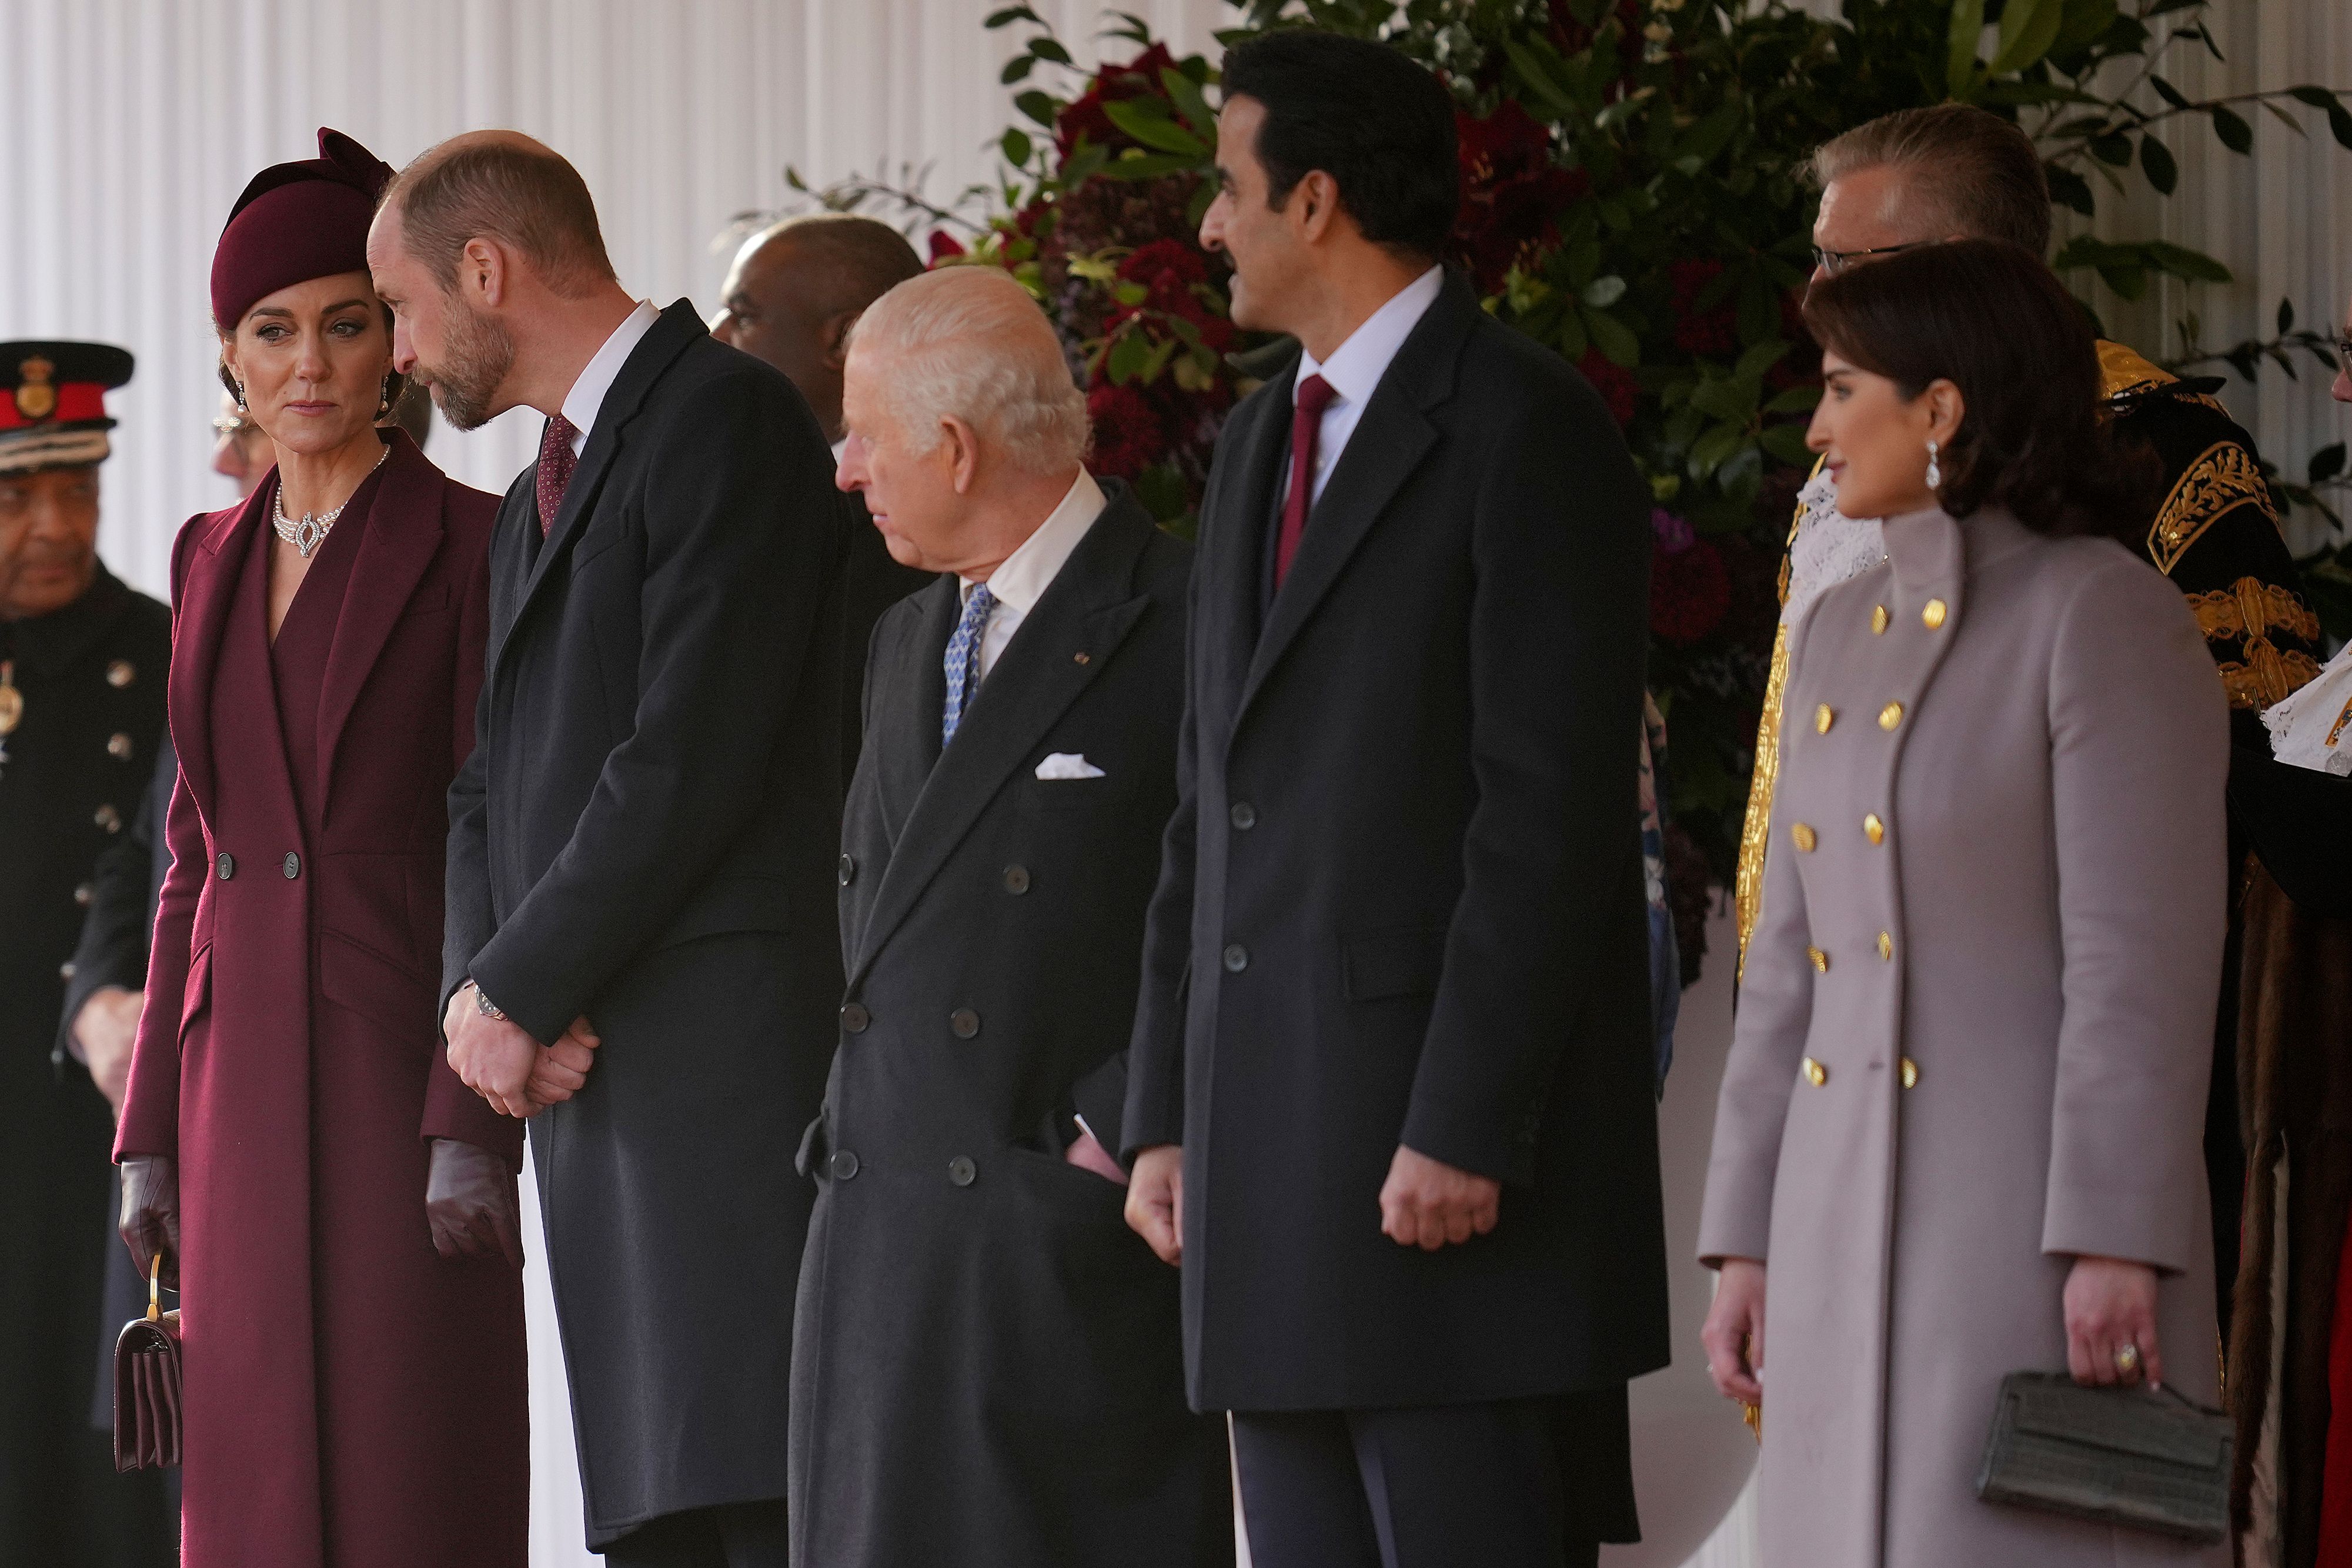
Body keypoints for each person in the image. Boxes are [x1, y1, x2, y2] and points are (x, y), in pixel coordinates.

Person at [1120, 32, 1668, 1568]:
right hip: (1268, 1175)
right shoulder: (1249, 444)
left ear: (1317, 199)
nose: (1206, 227)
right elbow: (1202, 801)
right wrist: (1165, 1109)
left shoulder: (1527, 425)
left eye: (1227, 190)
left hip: (1442, 1187)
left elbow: (1548, 814)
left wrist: (1468, 1124)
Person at [1730, 101, 2316, 1342]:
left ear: (1973, 273)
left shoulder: (2150, 447)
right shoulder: (1850, 464)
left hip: (2036, 1099)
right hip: (1843, 1060)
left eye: (1849, 263)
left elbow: (2241, 790)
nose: (1812, 292)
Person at [1698, 239, 2228, 1568]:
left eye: (1836, 387)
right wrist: (1743, 1245)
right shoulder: (1831, 630)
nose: (1814, 427)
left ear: (1938, 410)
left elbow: (2140, 968)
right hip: (1827, 1241)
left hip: (2022, 1252)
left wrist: (2116, 1241)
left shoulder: (2103, 616)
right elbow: (1783, 978)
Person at [370, 131, 845, 1567]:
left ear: (484, 269)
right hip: (594, 1078)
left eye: (397, 309)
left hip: (719, 1077)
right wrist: (477, 999)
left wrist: (520, 990)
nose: (399, 351)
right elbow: (481, 788)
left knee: (754, 1501)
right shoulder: (533, 500)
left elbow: (691, 757)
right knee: (656, 1517)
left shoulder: (726, 421)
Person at [111, 129, 529, 1568]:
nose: (309, 363)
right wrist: (149, 1126)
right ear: (227, 355)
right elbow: (189, 862)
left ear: (396, 345)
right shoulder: (200, 559)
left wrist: (472, 1120)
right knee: (251, 1504)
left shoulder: (485, 539)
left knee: (414, 1470)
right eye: (270, 331)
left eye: (346, 325)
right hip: (231, 1101)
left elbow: (501, 833)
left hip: (396, 1080)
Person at [793, 266, 1230, 1567]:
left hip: (1052, 1253)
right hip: (880, 1243)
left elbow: (1234, 902)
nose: (844, 466)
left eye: (863, 432)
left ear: (954, 445)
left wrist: (1110, 1130)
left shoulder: (1190, 619)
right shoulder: (900, 636)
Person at [0, 339, 175, 1565]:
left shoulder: (165, 652)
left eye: (80, 490)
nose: (57, 526)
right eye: (17, 496)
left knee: (94, 1449)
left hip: (91, 1127)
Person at [713, 213, 931, 781]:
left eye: (743, 315)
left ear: (844, 337)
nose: (714, 338)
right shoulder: (734, 502)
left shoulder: (920, 533)